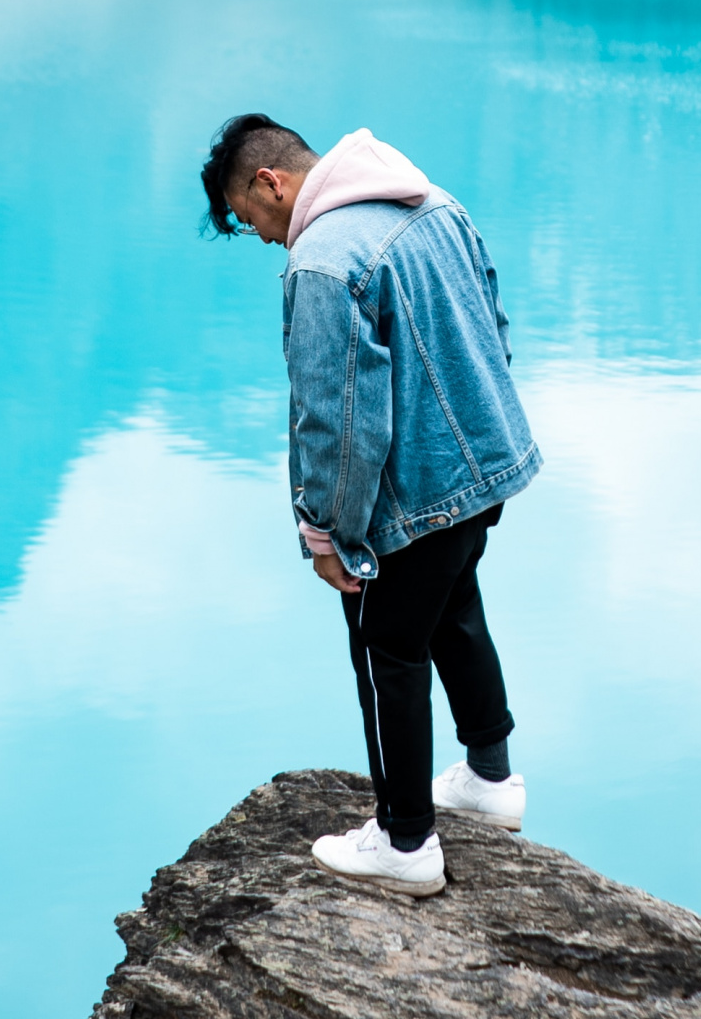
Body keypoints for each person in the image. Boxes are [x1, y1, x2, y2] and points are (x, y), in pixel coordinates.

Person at [199, 115, 541, 897]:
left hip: (412, 493)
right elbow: (494, 325)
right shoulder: (434, 203)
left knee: (385, 644)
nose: (262, 238)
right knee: (454, 606)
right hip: (485, 464)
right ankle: (490, 779)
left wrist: (328, 534)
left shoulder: (324, 260)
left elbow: (337, 421)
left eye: (250, 219)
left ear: (270, 183)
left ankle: (404, 840)